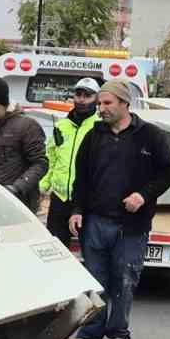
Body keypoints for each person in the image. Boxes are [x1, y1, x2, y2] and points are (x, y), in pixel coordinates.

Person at [59, 79, 170, 339]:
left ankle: (119, 336)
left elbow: (168, 171)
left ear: (125, 103)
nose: (101, 109)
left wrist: (143, 195)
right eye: (99, 103)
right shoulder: (94, 136)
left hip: (131, 227)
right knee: (95, 281)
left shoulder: (150, 136)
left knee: (124, 280)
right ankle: (89, 335)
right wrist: (77, 210)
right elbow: (82, 179)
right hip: (95, 223)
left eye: (107, 103)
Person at [0, 77, 47, 208]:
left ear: (4, 103)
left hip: (20, 205)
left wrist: (16, 188)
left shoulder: (27, 126)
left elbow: (40, 164)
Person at [43, 77, 101, 247]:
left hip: (86, 201)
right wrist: (43, 185)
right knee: (55, 252)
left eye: (87, 96)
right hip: (59, 200)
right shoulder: (61, 126)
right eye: (78, 94)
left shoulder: (100, 127)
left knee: (90, 255)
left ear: (96, 99)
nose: (81, 100)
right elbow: (51, 157)